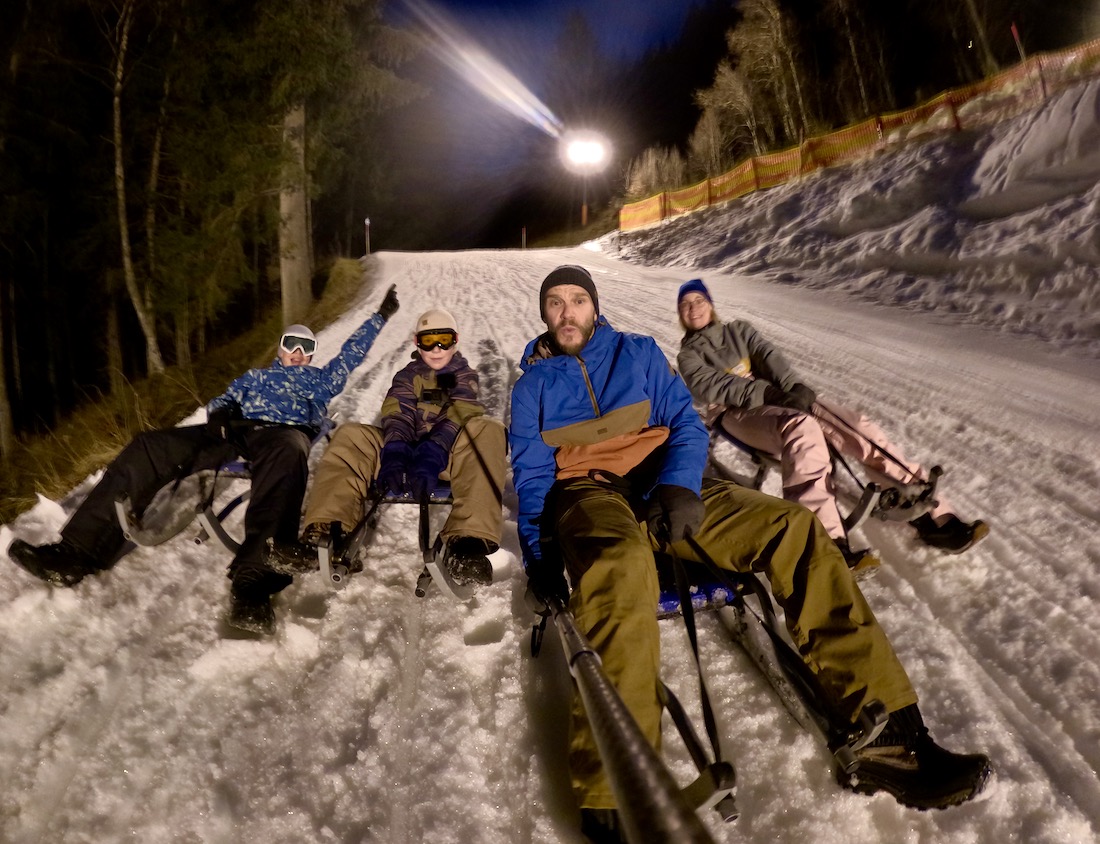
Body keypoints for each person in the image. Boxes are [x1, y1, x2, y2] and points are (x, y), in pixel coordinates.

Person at [509, 265, 991, 841]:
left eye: (578, 300)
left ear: (595, 306)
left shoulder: (636, 353)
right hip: (589, 492)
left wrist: (682, 483)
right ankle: (616, 789)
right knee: (618, 569)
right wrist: (540, 557)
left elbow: (685, 424)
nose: (568, 312)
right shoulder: (531, 385)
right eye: (556, 303)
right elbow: (533, 474)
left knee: (793, 527)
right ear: (544, 314)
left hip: (666, 481)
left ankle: (892, 739)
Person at [6, 285, 401, 634]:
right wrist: (220, 413)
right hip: (236, 433)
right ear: (280, 350)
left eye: (306, 348)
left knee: (288, 455)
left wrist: (379, 317)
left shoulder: (319, 379)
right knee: (149, 445)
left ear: (313, 355)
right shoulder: (254, 377)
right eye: (291, 346)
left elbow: (351, 354)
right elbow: (223, 399)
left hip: (283, 436)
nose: (298, 353)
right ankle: (77, 552)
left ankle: (253, 585)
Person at [675, 278, 988, 568]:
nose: (694, 308)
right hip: (733, 414)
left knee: (858, 428)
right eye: (686, 304)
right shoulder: (688, 356)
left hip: (779, 399)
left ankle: (935, 516)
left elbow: (769, 356)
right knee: (802, 430)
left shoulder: (738, 330)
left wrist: (793, 388)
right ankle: (824, 542)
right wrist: (768, 392)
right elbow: (711, 387)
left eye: (698, 299)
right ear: (681, 314)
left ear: (710, 303)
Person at [267, 306, 507, 586]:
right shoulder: (407, 376)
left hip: (449, 458)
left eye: (445, 339)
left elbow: (460, 410)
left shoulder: (462, 375)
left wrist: (435, 449)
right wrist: (395, 450)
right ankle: (327, 530)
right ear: (417, 343)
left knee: (488, 430)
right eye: (429, 340)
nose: (438, 348)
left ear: (456, 341)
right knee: (352, 434)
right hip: (405, 454)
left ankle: (468, 544)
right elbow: (398, 413)